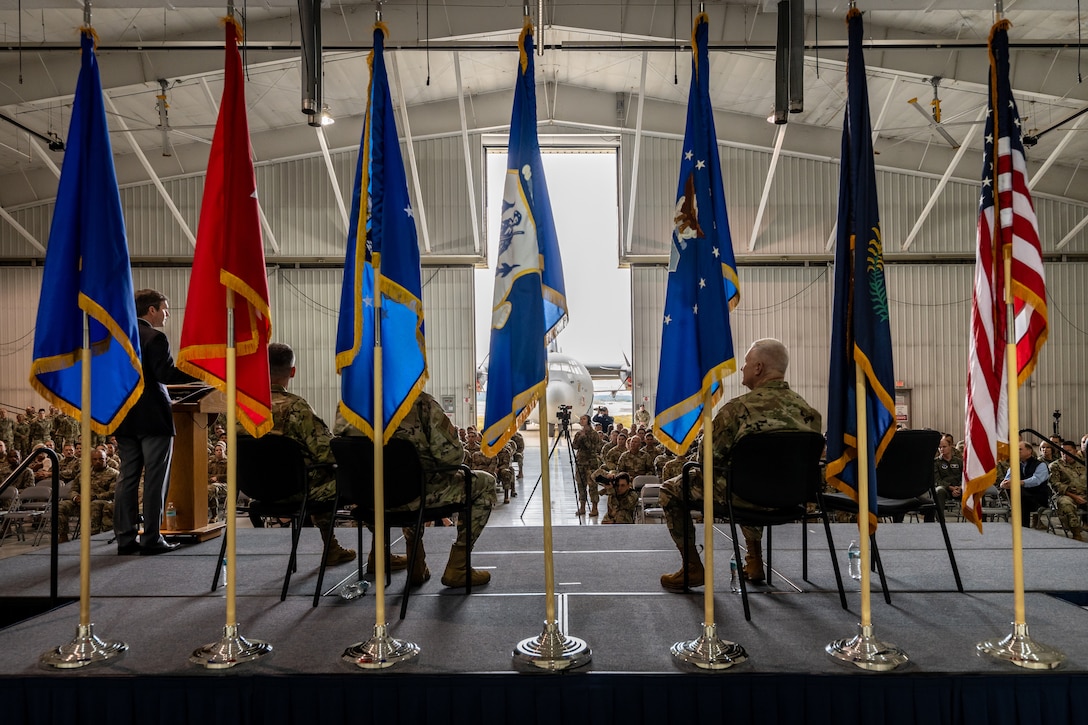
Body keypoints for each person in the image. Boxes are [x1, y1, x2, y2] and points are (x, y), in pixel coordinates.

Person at [658, 338, 822, 592]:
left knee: (671, 488)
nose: (742, 369)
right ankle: (754, 561)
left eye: (746, 363)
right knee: (753, 476)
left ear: (758, 368)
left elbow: (706, 460)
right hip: (793, 499)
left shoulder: (738, 410)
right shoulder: (809, 413)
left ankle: (692, 567)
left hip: (745, 496)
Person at [337, 390, 497, 588]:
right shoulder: (421, 403)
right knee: (484, 483)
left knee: (395, 479)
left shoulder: (348, 405)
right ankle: (458, 567)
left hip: (367, 500)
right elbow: (452, 457)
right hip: (413, 497)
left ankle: (384, 555)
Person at [113, 289, 197, 555]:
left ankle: (125, 539)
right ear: (151, 310)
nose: (167, 313)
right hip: (153, 417)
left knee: (127, 478)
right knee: (155, 479)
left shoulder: (117, 338)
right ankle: (152, 538)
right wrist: (198, 371)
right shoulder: (155, 337)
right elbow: (165, 373)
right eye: (164, 308)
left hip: (124, 416)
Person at [257, 342, 357, 566]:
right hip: (297, 491)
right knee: (356, 479)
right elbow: (327, 453)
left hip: (256, 489)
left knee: (316, 474)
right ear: (292, 372)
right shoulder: (297, 408)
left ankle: (332, 548)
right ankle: (378, 553)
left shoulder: (244, 408)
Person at [56, 447, 117, 542]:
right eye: (95, 459)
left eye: (101, 459)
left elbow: (113, 492)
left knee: (94, 504)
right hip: (81, 502)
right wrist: (76, 497)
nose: (98, 461)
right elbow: (73, 489)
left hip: (102, 503)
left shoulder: (114, 474)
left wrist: (94, 497)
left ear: (106, 460)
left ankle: (93, 537)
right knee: (61, 506)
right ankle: (63, 535)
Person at [1000, 440, 1051, 529]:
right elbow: (1007, 479)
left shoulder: (1041, 465)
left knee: (1018, 492)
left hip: (1037, 499)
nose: (1017, 451)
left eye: (1020, 449)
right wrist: (1004, 484)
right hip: (1021, 498)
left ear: (1029, 451)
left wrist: (1020, 482)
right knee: (1016, 492)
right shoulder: (1015, 465)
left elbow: (1037, 480)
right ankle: (1022, 528)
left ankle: (1022, 527)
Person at [1048, 441, 1086, 541]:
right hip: (1067, 495)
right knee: (1065, 504)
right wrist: (1075, 497)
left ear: (1075, 451)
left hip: (1084, 494)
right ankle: (1076, 533)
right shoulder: (1055, 466)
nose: (1065, 454)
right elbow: (1056, 485)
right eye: (1062, 452)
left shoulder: (1083, 464)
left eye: (1068, 451)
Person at [571, 414, 602, 516]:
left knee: (592, 486)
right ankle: (582, 507)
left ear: (588, 421)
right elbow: (575, 446)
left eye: (584, 419)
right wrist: (579, 437)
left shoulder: (594, 434)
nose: (581, 420)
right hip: (580, 462)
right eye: (581, 419)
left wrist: (585, 438)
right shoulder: (579, 433)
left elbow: (593, 448)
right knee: (581, 485)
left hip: (591, 463)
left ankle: (594, 508)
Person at [933, 433, 964, 514]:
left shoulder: (959, 461)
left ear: (950, 447)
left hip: (959, 489)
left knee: (974, 490)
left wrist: (959, 488)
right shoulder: (936, 463)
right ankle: (940, 518)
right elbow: (937, 480)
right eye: (940, 447)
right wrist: (951, 488)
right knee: (939, 490)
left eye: (944, 447)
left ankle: (976, 520)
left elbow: (965, 477)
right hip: (945, 489)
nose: (941, 449)